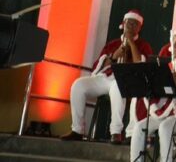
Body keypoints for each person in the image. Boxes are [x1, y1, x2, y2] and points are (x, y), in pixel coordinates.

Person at [61, 9, 152, 144]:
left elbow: (142, 65)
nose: (131, 26)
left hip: (127, 81)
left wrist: (131, 44)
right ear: (123, 24)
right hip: (106, 78)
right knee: (78, 85)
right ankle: (77, 130)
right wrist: (114, 55)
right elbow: (98, 67)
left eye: (135, 24)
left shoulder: (144, 45)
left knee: (117, 86)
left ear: (140, 28)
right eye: (129, 23)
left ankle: (115, 132)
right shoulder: (113, 43)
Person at [129, 28, 176, 162]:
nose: (173, 47)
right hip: (166, 112)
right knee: (140, 126)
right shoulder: (169, 66)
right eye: (172, 43)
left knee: (165, 127)